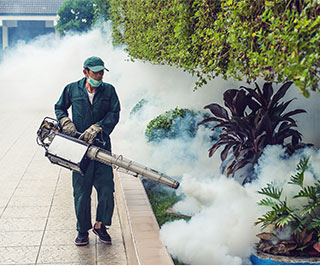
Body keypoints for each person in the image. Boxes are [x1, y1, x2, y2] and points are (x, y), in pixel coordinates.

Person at [54, 56, 120, 246]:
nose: (99, 75)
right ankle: (82, 230)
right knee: (81, 191)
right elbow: (60, 108)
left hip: (101, 147)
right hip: (79, 149)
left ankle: (101, 226)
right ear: (85, 72)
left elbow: (114, 113)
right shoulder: (71, 89)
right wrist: (65, 121)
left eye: (101, 72)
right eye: (95, 72)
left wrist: (99, 127)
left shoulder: (109, 90)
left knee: (106, 187)